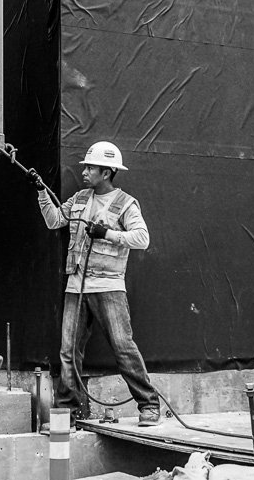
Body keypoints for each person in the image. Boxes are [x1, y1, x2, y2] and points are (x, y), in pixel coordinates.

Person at [34, 141, 160, 427]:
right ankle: (68, 412)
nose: (85, 172)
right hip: (76, 287)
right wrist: (41, 191)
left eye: (90, 167)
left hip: (109, 287)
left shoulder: (125, 203)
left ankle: (149, 405)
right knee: (68, 351)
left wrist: (108, 234)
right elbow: (54, 221)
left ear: (106, 172)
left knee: (123, 347)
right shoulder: (79, 198)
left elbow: (142, 238)